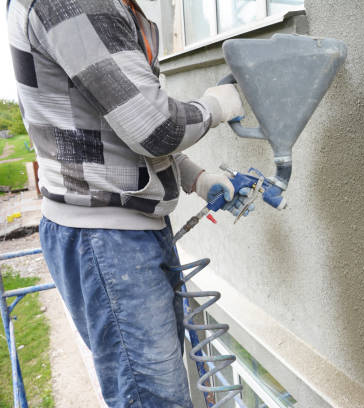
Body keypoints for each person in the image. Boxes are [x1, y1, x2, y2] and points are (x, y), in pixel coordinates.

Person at [7, 0, 250, 406]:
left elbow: (113, 125)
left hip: (115, 232)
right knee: (153, 398)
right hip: (106, 237)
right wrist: (217, 105)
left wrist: (194, 178)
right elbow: (156, 128)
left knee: (159, 389)